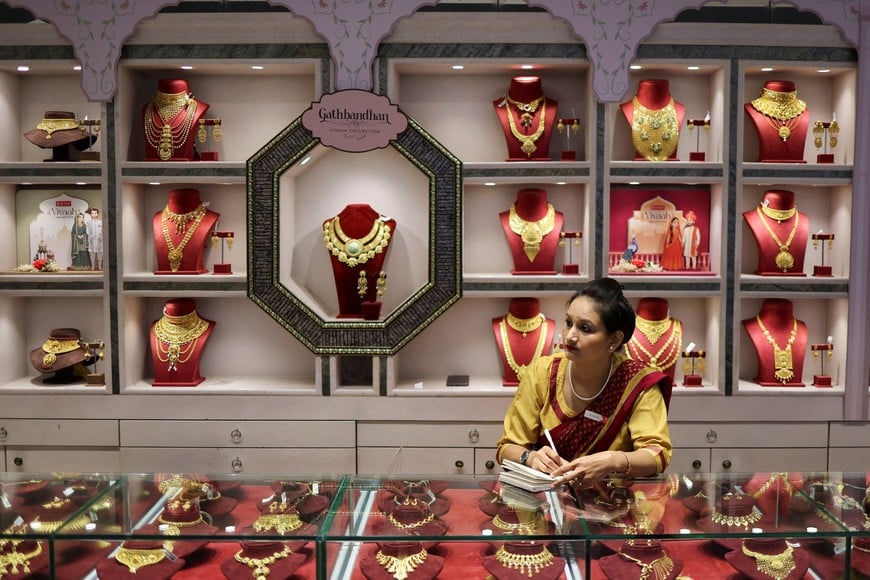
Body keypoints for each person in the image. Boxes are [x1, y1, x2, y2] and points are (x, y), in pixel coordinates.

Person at [496, 277, 672, 486]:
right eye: (569, 323)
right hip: (548, 501)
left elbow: (657, 454)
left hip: (614, 506)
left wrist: (613, 460)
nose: (570, 336)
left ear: (614, 340)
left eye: (585, 328)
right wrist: (531, 458)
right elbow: (507, 448)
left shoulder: (636, 382)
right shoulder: (544, 372)